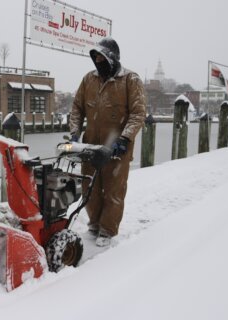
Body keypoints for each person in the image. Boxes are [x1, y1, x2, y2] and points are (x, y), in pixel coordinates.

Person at [69, 37, 146, 247]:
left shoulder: (131, 80)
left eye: (102, 58)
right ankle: (94, 223)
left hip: (116, 148)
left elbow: (138, 113)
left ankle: (108, 229)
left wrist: (125, 138)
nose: (98, 62)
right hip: (90, 145)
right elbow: (77, 108)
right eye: (96, 58)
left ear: (112, 58)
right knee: (89, 187)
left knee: (113, 190)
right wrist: (75, 132)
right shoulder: (88, 80)